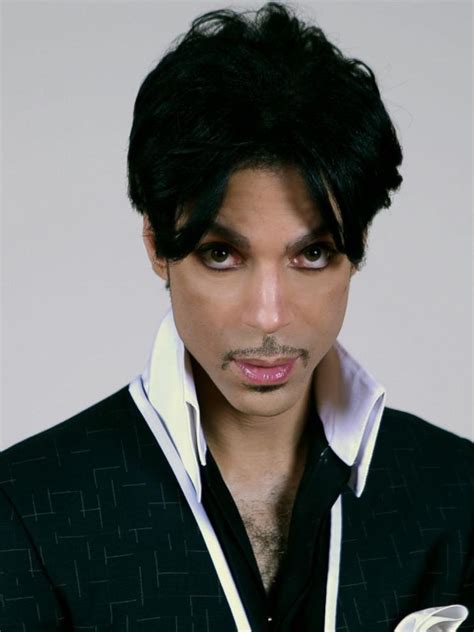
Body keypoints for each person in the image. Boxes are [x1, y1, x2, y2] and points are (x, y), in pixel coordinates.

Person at [1, 3, 472, 631]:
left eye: (311, 254)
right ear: (157, 247)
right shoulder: (30, 507)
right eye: (221, 254)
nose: (268, 316)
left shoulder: (459, 492)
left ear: (356, 250)